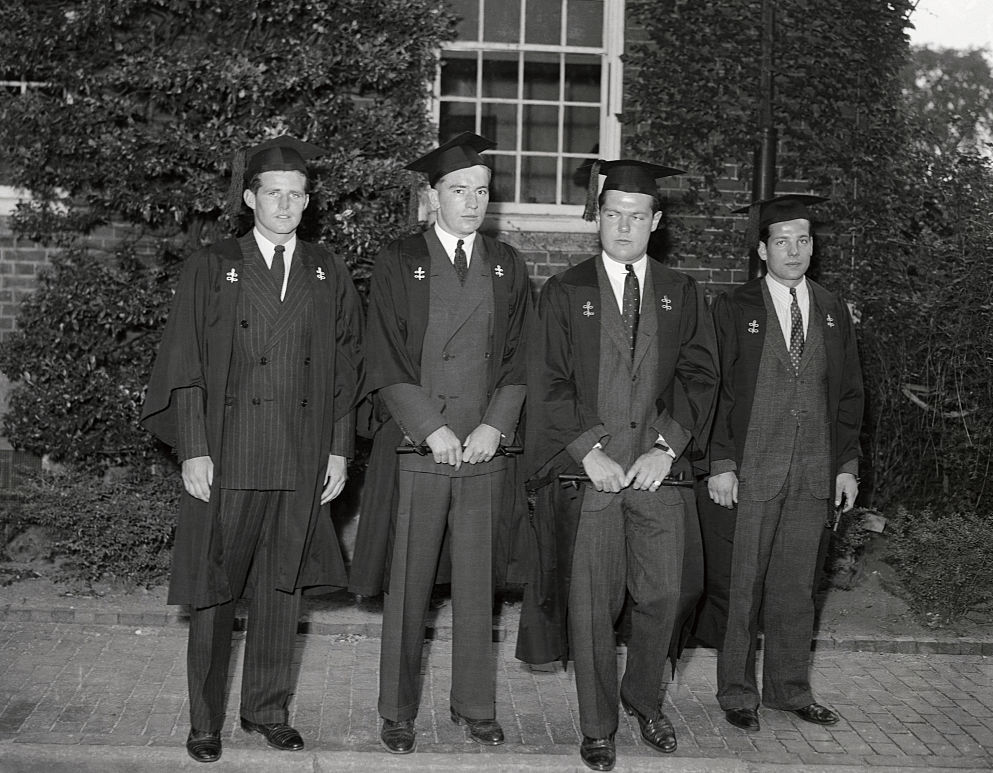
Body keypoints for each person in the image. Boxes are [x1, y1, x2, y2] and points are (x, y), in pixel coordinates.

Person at [141, 136, 365, 763]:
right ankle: (205, 720)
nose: (286, 205)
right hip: (229, 455)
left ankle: (266, 710)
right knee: (215, 590)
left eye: (296, 195)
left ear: (308, 200)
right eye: (274, 194)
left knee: (281, 588)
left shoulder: (328, 268)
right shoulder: (214, 264)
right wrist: (193, 448)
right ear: (250, 198)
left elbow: (348, 367)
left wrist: (340, 450)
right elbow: (185, 361)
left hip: (300, 456)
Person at [516, 160, 719, 771]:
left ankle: (643, 697)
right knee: (594, 605)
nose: (623, 226)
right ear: (596, 218)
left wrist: (667, 447)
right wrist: (588, 449)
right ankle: (598, 723)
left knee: (667, 595)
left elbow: (699, 375)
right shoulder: (564, 290)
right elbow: (545, 381)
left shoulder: (680, 292)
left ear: (655, 222)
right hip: (591, 480)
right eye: (612, 214)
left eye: (637, 216)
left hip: (656, 476)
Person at [350, 132, 531, 755]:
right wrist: (431, 427)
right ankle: (398, 709)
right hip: (420, 451)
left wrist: (494, 426)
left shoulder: (507, 264)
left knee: (479, 586)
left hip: (483, 451)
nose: (473, 202)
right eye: (459, 190)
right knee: (411, 582)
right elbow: (385, 354)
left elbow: (519, 355)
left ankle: (474, 705)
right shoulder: (401, 260)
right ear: (433, 196)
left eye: (482, 191)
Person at [707, 194, 863, 732]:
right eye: (781, 242)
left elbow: (849, 395)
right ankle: (737, 692)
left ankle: (789, 690)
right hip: (753, 469)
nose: (793, 251)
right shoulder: (734, 306)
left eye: (802, 241)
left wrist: (846, 465)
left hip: (813, 472)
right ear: (762, 249)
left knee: (797, 588)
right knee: (743, 585)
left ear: (812, 247)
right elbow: (718, 391)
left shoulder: (832, 309)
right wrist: (721, 461)